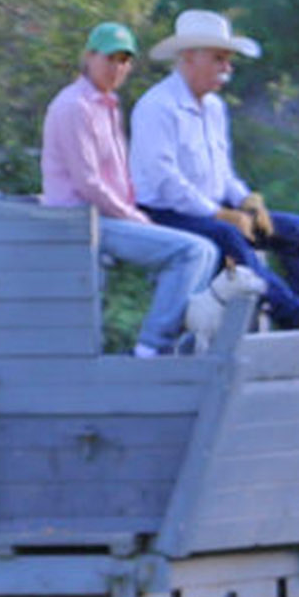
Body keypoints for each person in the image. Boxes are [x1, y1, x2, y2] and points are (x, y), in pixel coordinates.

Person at [128, 8, 299, 330]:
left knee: (296, 230)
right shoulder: (156, 107)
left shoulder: (214, 107)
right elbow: (166, 181)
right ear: (188, 58)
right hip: (164, 214)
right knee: (228, 235)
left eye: (228, 60)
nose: (227, 68)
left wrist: (247, 201)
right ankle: (293, 314)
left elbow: (223, 172)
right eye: (219, 59)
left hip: (211, 211)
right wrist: (220, 214)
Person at [36, 22, 220, 355]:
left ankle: (180, 341)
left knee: (206, 248)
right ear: (89, 57)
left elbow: (119, 176)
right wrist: (133, 217)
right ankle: (152, 347)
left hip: (107, 217)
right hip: (80, 222)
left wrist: (135, 212)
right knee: (189, 252)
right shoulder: (73, 107)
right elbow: (88, 182)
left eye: (125, 60)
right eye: (110, 58)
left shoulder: (107, 105)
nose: (118, 67)